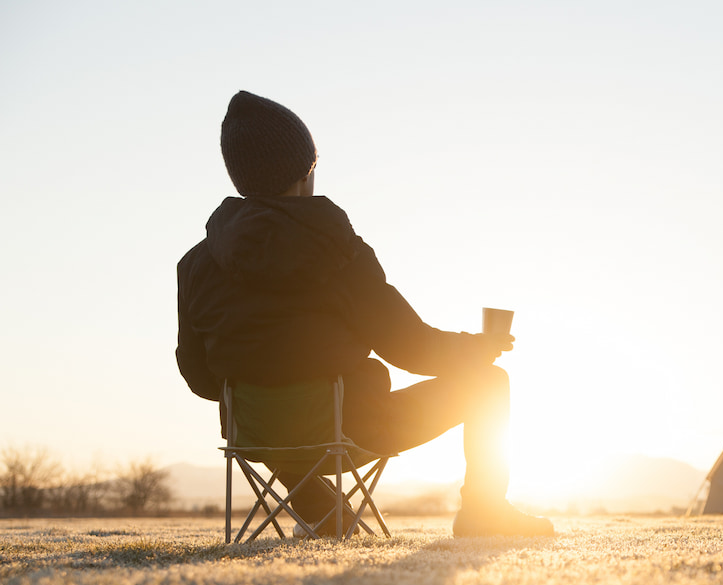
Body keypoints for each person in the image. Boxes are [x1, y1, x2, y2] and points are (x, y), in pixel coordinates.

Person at [176, 90, 553, 539]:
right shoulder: (338, 250)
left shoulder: (196, 265)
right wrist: (478, 348)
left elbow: (201, 377)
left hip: (254, 434)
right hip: (352, 428)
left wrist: (263, 391)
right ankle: (483, 512)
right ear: (305, 172)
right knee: (490, 384)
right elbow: (412, 348)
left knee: (281, 409)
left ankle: (323, 510)